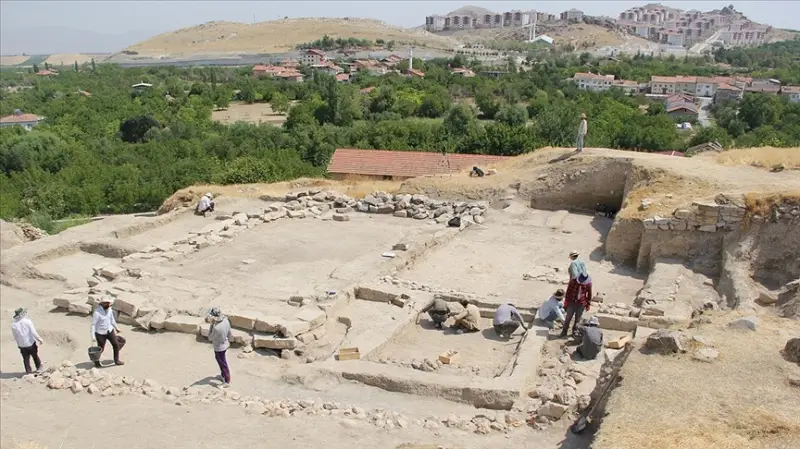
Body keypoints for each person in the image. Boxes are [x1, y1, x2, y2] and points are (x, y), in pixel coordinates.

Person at [90, 296, 124, 367]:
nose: (108, 305)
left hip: (110, 330)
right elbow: (93, 325)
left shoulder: (110, 310)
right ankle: (96, 362)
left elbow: (112, 320)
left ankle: (116, 360)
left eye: (108, 303)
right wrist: (93, 336)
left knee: (116, 344)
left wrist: (116, 328)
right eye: (106, 303)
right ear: (101, 304)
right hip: (100, 333)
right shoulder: (97, 313)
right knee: (101, 348)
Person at [11, 308, 44, 374]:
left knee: (26, 359)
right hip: (30, 343)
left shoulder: (13, 325)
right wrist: (39, 338)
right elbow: (33, 332)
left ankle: (28, 372)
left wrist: (18, 344)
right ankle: (39, 368)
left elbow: (15, 336)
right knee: (35, 356)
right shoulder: (27, 321)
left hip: (22, 345)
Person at [561, 273, 593, 338]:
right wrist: (566, 302)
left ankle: (574, 332)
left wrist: (588, 305)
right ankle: (564, 331)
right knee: (568, 318)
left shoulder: (588, 284)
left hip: (581, 303)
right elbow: (568, 292)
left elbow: (589, 294)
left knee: (577, 319)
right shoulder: (573, 281)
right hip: (572, 302)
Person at [207, 308, 233, 386]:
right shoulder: (226, 321)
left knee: (222, 363)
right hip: (225, 343)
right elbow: (229, 333)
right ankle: (223, 376)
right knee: (222, 361)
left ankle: (227, 381)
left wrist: (211, 325)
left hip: (219, 348)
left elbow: (210, 337)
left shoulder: (216, 328)